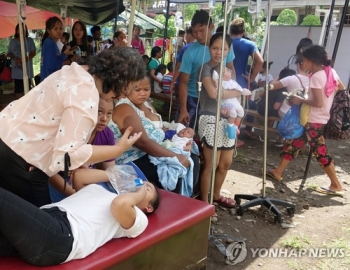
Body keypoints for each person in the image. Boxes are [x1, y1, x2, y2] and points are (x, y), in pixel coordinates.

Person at [0, 47, 145, 207]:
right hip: (21, 158)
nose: (123, 96)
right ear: (117, 81)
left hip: (7, 134)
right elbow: (68, 154)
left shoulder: (78, 71)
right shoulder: (86, 92)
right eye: (124, 91)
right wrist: (117, 149)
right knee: (38, 226)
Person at [0, 168, 159, 266]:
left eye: (148, 188)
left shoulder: (139, 218)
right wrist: (116, 176)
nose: (143, 185)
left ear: (149, 207)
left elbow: (120, 205)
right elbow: (79, 176)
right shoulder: (106, 193)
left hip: (62, 235)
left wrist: (139, 193)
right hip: (45, 222)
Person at [267, 45, 344, 196]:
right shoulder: (330, 72)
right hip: (320, 117)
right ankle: (278, 171)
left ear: (311, 60)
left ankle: (336, 184)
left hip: (313, 119)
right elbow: (340, 88)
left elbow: (317, 102)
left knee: (320, 151)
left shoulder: (316, 77)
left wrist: (299, 99)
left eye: (303, 60)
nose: (301, 63)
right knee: (294, 143)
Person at [108, 75, 200, 191]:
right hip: (135, 159)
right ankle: (178, 204)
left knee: (192, 156)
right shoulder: (124, 108)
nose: (142, 93)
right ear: (126, 89)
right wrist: (175, 156)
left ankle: (189, 201)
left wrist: (174, 138)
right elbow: (141, 142)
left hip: (152, 150)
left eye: (146, 90)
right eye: (137, 90)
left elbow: (158, 127)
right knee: (176, 169)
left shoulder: (147, 104)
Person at [198, 33, 240, 210]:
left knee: (225, 163)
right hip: (209, 118)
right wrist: (238, 93)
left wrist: (236, 94)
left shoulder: (227, 72)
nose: (218, 52)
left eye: (223, 48)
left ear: (228, 50)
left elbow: (233, 94)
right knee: (211, 163)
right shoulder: (206, 69)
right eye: (215, 48)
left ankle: (216, 195)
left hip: (227, 120)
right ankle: (204, 202)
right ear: (209, 48)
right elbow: (213, 94)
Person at [177, 10, 237, 128]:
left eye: (202, 31)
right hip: (195, 100)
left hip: (220, 98)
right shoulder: (190, 53)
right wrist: (183, 109)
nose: (198, 35)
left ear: (211, 26)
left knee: (216, 133)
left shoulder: (225, 47)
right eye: (194, 32)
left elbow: (231, 69)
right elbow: (183, 83)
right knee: (192, 133)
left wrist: (232, 96)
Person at [48, 98, 116, 202]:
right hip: (61, 184)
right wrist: (78, 195)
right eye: (99, 111)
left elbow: (110, 172)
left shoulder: (107, 134)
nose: (104, 118)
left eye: (109, 113)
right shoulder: (68, 133)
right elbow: (50, 174)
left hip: (88, 182)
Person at [230, 17, 263, 141]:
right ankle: (233, 139)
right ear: (243, 31)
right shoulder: (249, 44)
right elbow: (260, 61)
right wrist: (251, 78)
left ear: (230, 31)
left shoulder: (224, 42)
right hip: (240, 82)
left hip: (223, 80)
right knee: (237, 111)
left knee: (223, 109)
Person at [212, 67, 251, 137]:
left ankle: (235, 126)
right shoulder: (221, 82)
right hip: (227, 103)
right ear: (222, 76)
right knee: (233, 113)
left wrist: (243, 91)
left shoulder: (232, 82)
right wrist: (215, 77)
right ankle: (229, 125)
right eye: (226, 71)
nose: (229, 71)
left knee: (241, 112)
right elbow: (216, 85)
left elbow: (239, 89)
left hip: (234, 101)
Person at [40, 17, 75, 82]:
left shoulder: (50, 42)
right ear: (48, 31)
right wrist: (64, 54)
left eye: (60, 28)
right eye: (55, 29)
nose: (59, 31)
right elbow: (53, 66)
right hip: (50, 81)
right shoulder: (50, 44)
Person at [7, 24, 36, 99]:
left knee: (27, 89)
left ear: (26, 30)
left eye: (23, 29)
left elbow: (33, 53)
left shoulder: (29, 41)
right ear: (16, 31)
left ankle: (27, 105)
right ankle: (19, 106)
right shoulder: (13, 42)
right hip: (17, 70)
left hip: (27, 69)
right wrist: (14, 58)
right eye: (19, 29)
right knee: (18, 90)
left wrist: (24, 59)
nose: (22, 31)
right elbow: (9, 53)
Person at [169, 27, 196, 95]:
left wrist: (173, 82)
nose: (185, 37)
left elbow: (179, 67)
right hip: (195, 85)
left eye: (186, 35)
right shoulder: (203, 48)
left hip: (183, 82)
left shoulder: (186, 48)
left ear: (189, 35)